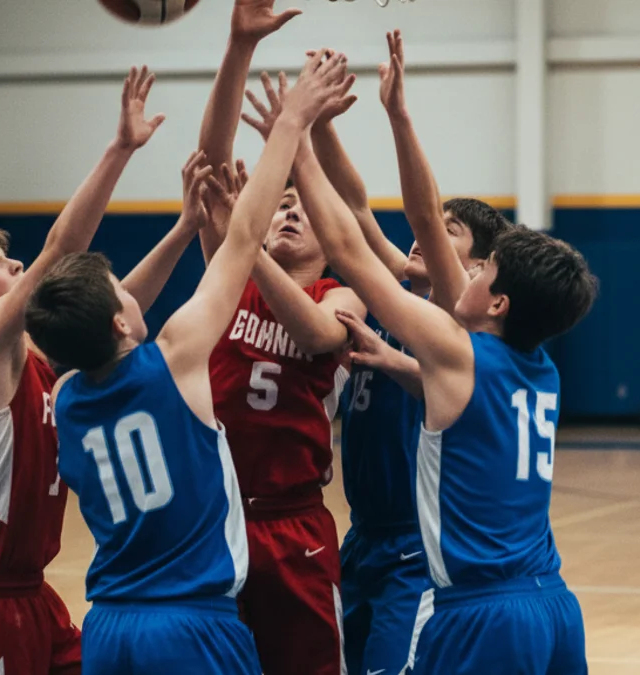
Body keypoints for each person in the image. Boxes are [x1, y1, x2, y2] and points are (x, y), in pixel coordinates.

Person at [25, 50, 348, 675]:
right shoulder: (175, 358)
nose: (135, 289)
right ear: (122, 321)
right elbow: (245, 232)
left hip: (112, 622)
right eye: (123, 290)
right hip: (191, 621)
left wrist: (183, 227)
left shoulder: (64, 394)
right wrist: (291, 125)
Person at [244, 32, 512, 675]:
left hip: (417, 547)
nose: (424, 239)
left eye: (449, 233)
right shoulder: (388, 292)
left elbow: (411, 216)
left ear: (475, 268)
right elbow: (355, 208)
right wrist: (315, 130)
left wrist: (393, 117)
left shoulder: (454, 317)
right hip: (361, 534)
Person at [289, 116, 599, 673]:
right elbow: (469, 403)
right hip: (551, 600)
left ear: (498, 301)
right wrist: (403, 366)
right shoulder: (540, 369)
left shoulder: (456, 348)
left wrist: (294, 136)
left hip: (481, 607)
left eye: (483, 272)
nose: (468, 277)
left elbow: (348, 242)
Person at [0, 65, 165, 675]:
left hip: (29, 593)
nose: (16, 261)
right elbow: (59, 251)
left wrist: (184, 229)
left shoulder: (33, 353)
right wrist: (120, 149)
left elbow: (121, 306)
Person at [196, 4, 365, 673]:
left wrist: (244, 238)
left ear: (334, 239)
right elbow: (211, 166)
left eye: (302, 208)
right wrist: (238, 46)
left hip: (293, 520)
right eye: (280, 206)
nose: (288, 210)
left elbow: (321, 335)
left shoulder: (341, 295)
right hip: (216, 519)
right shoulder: (229, 279)